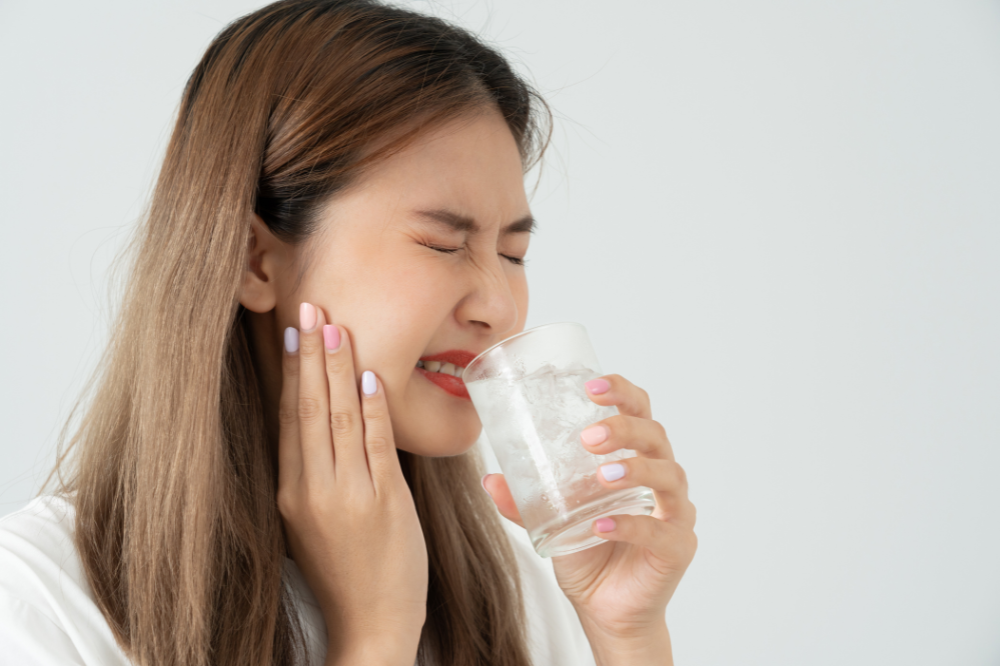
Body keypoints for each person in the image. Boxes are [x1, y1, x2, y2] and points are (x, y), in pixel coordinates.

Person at [0, 0, 697, 664]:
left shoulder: (519, 586)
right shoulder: (40, 600)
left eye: (512, 254)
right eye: (442, 243)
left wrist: (627, 634)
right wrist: (374, 637)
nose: (499, 306)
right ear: (252, 260)